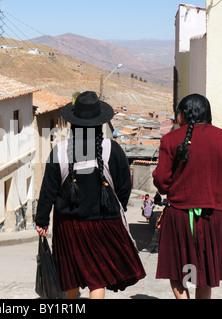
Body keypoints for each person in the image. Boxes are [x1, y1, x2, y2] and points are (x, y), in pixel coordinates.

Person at [35, 91, 146, 299]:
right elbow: (123, 187)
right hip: (103, 222)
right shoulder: (112, 149)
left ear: (72, 123)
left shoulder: (59, 151)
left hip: (68, 225)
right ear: (99, 123)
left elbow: (48, 190)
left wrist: (41, 220)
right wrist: (112, 207)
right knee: (97, 279)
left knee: (70, 276)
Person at [153, 94, 222, 299]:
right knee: (205, 270)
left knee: (178, 269)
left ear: (182, 116)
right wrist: (217, 188)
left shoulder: (170, 140)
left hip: (179, 216)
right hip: (213, 216)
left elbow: (161, 181)